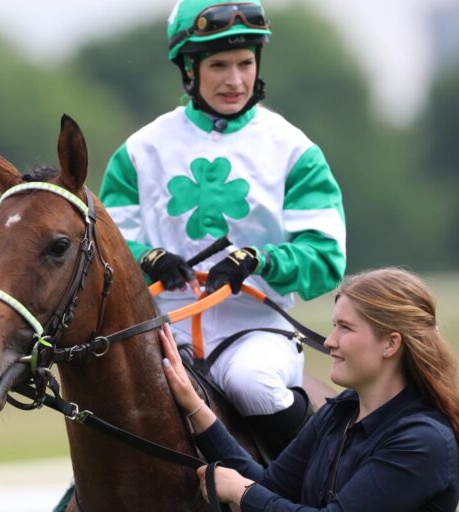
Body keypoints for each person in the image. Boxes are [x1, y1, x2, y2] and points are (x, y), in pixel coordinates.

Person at [99, 0, 346, 456]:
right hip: (159, 329)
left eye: (245, 63)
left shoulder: (295, 151)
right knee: (109, 399)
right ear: (189, 69)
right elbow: (106, 247)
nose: (235, 80)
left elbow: (326, 256)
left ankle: (312, 489)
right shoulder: (137, 152)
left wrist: (260, 258)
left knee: (251, 383)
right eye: (218, 65)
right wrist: (146, 258)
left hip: (253, 330)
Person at [160, 267, 459, 510]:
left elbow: (256, 491)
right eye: (334, 326)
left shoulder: (421, 441)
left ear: (391, 344)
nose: (330, 342)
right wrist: (196, 408)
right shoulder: (339, 412)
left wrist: (242, 493)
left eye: (345, 328)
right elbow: (271, 485)